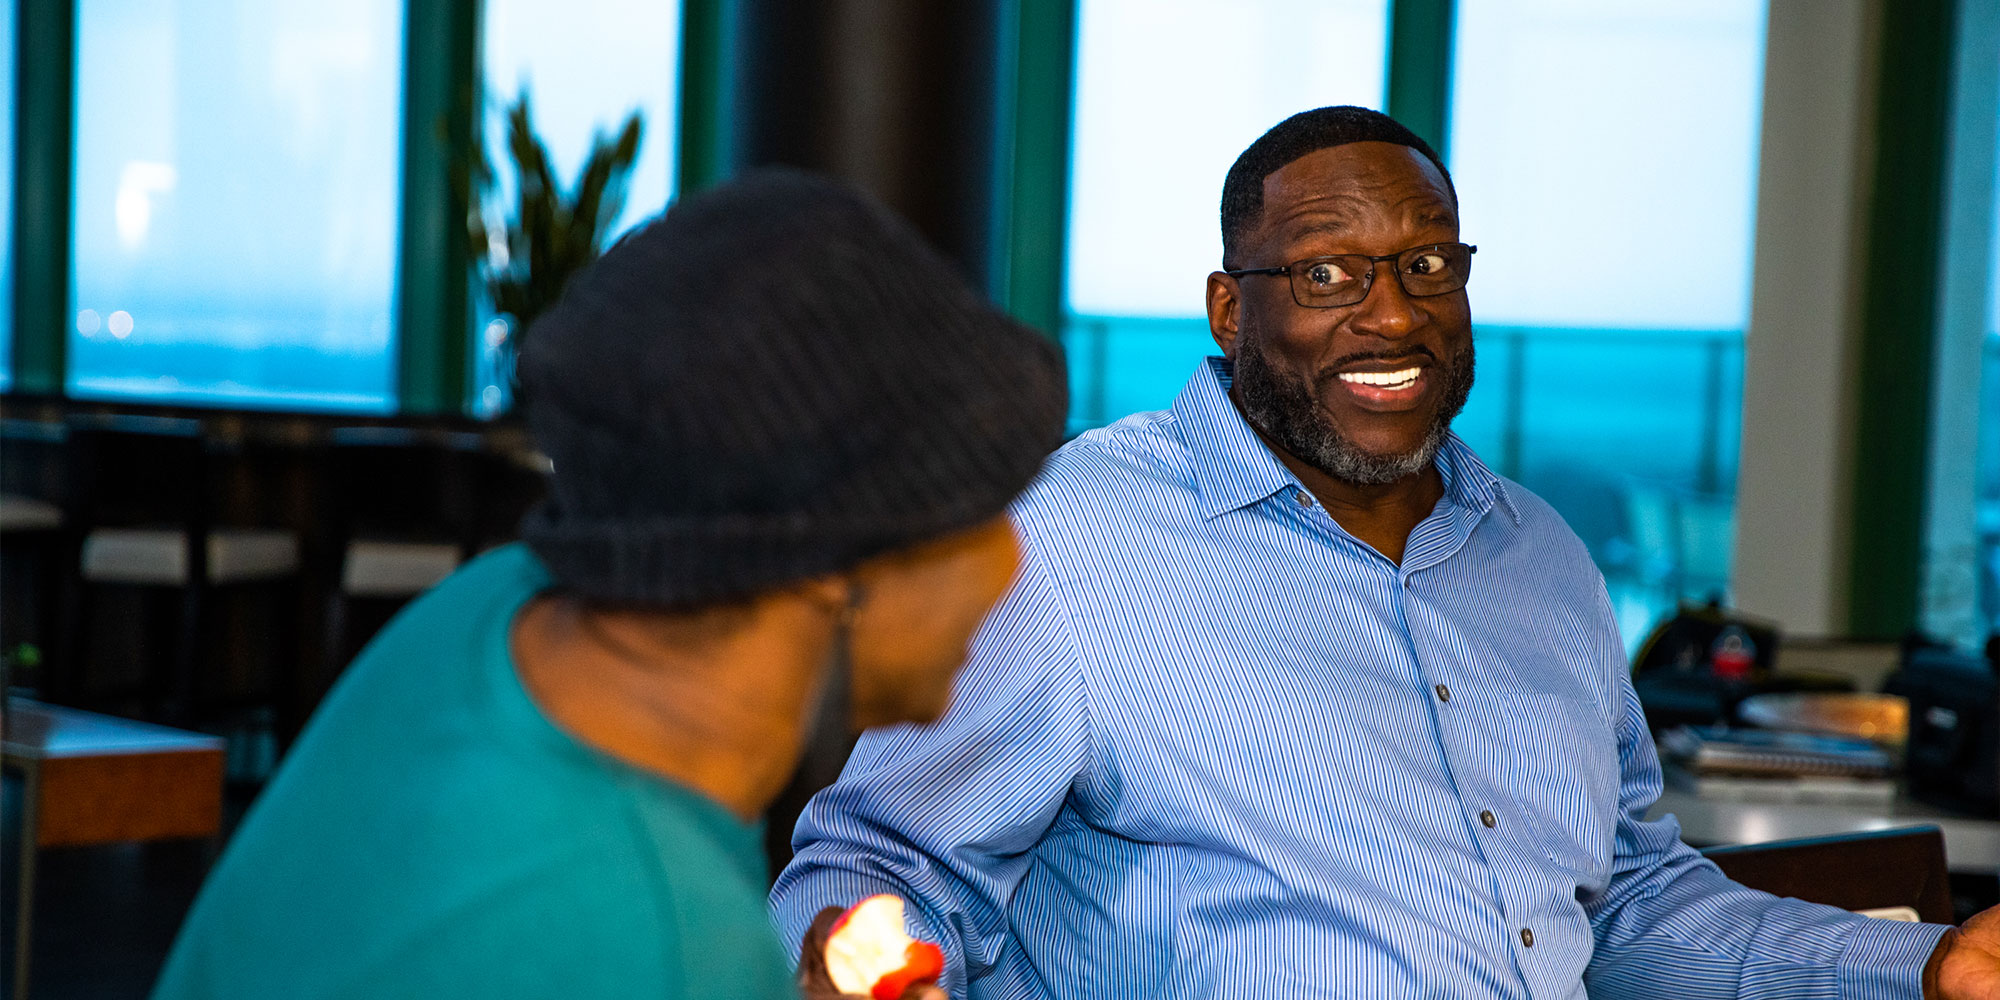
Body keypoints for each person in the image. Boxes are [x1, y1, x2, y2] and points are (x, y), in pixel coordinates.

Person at [771, 107, 2000, 999]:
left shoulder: (1544, 562)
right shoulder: (1066, 542)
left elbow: (1626, 907)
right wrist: (854, 959)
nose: (1393, 311)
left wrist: (1928, 964)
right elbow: (882, 866)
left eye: (1425, 265)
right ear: (1226, 304)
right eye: (1325, 273)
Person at [151, 170, 1066, 1000]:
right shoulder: (659, 927)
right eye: (987, 508)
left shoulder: (490, 611)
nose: (1014, 563)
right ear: (835, 564)